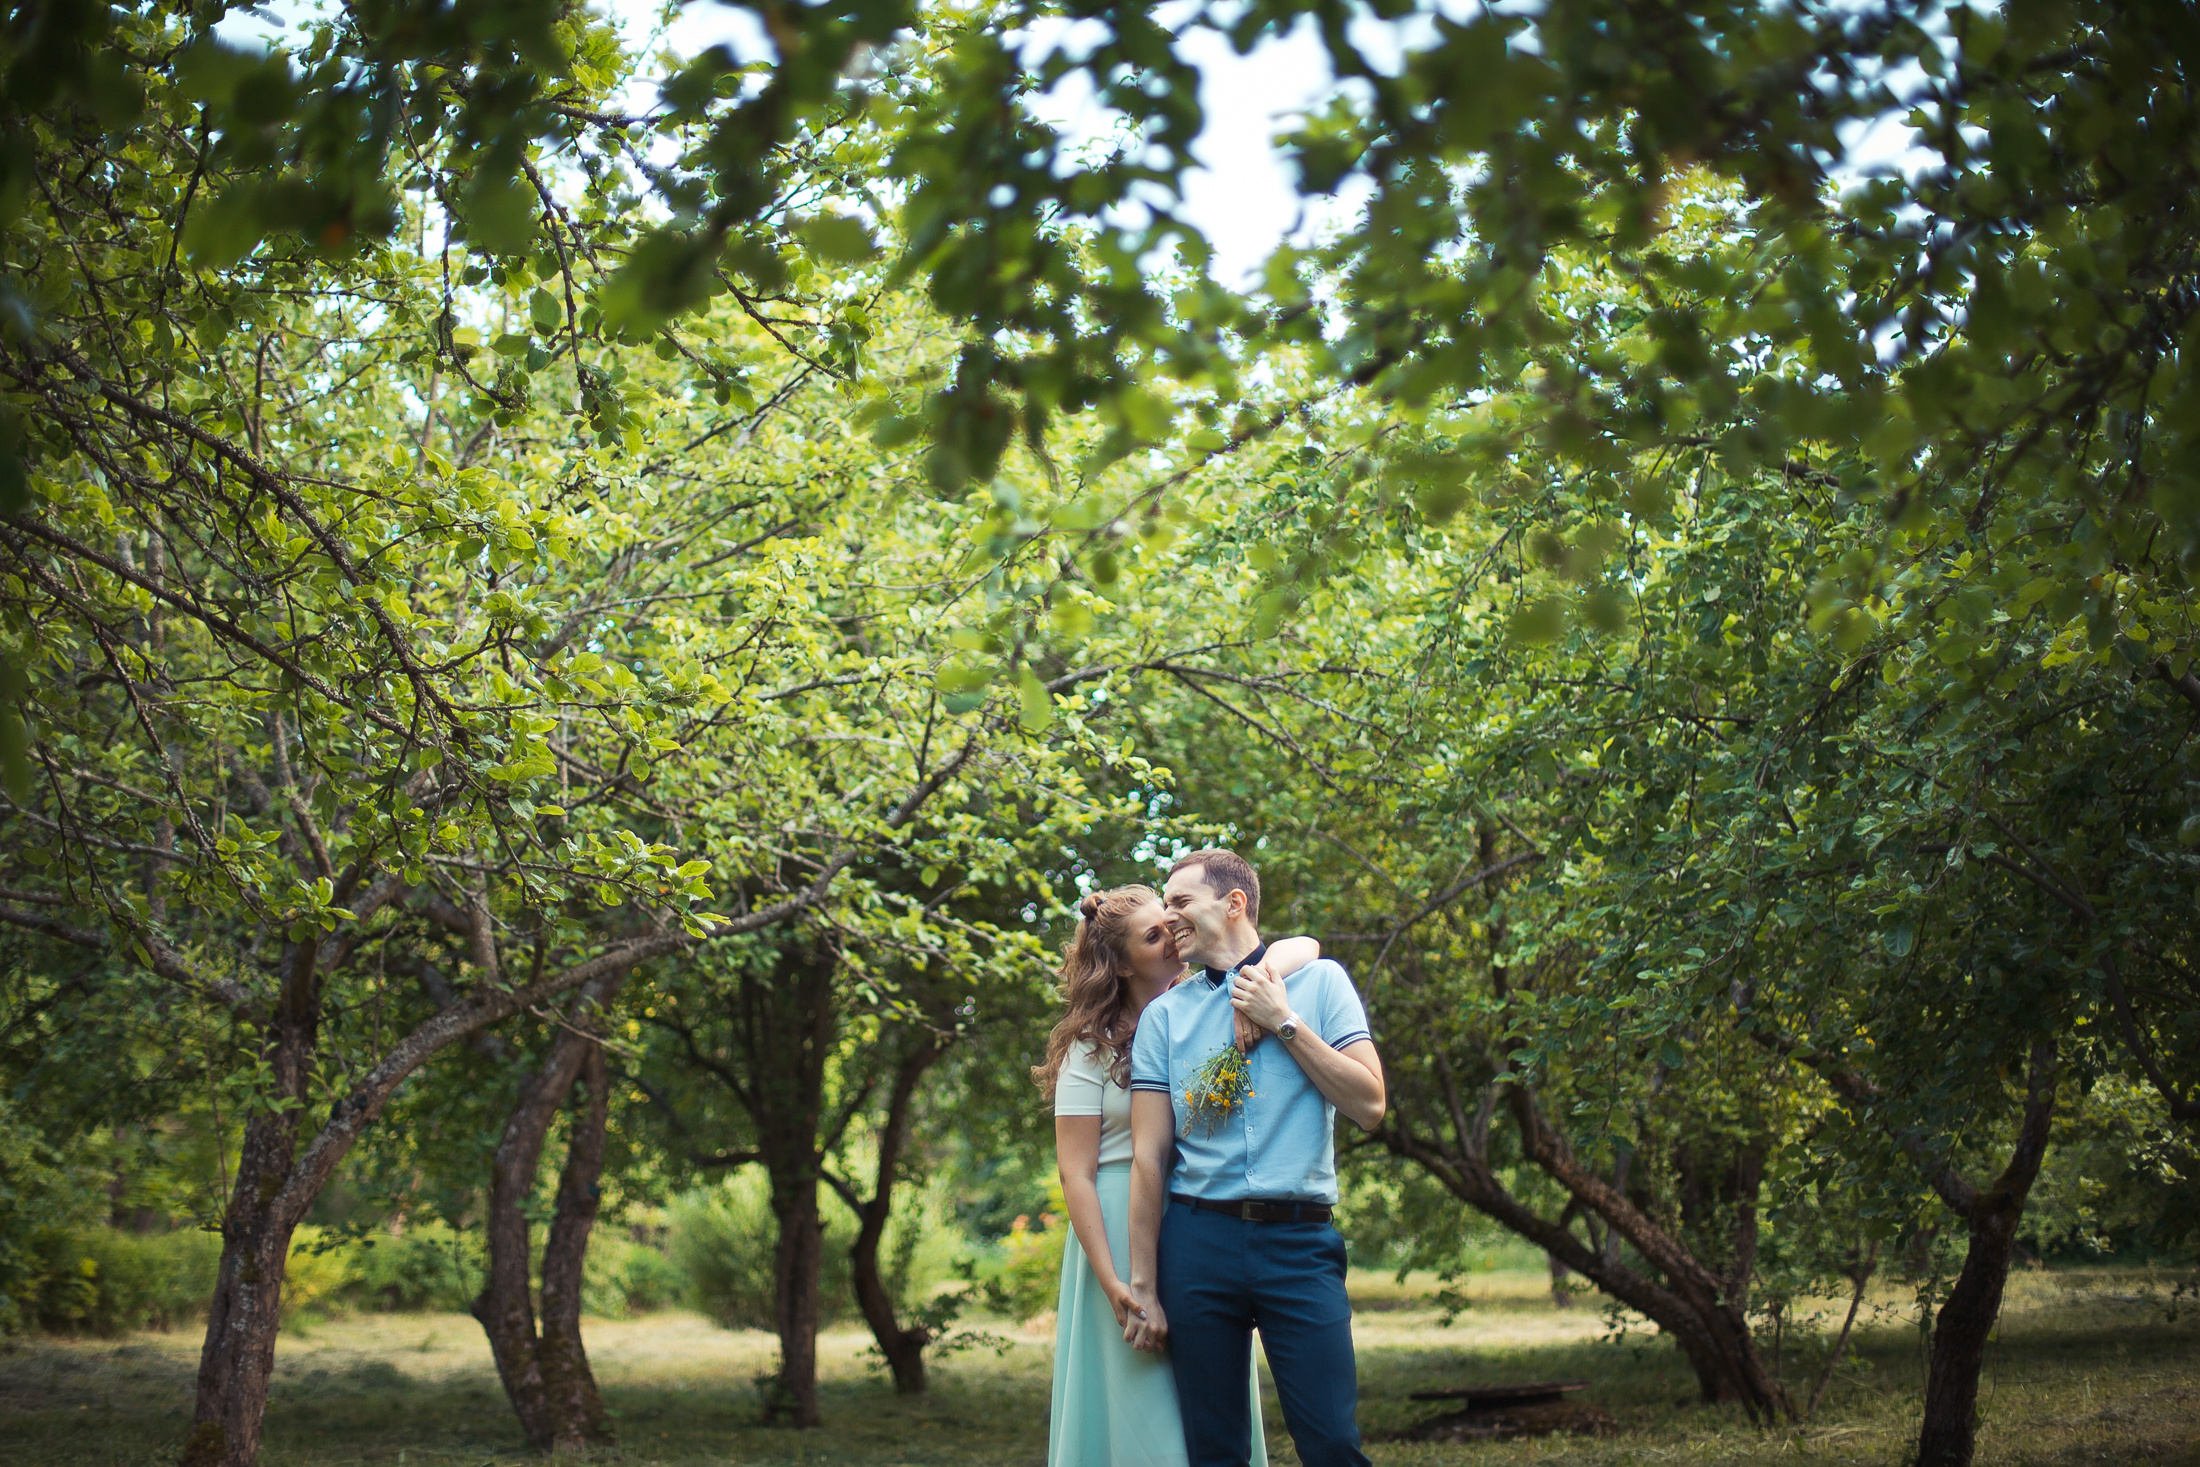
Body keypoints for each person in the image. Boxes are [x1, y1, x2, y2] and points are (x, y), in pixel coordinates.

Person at [1033, 884, 1325, 1467]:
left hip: (1199, 1218)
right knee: (1142, 1399)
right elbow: (1076, 1176)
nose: (1172, 937)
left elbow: (1308, 946)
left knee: (1212, 1404)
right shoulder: (1089, 1052)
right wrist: (1114, 1281)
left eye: (1170, 923)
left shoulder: (1208, 1007)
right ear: (1118, 963)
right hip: (1116, 1229)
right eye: (1152, 935)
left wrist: (1256, 987)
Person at [1123, 849, 1386, 1467]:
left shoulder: (1321, 985)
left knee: (1331, 1442)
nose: (1169, 917)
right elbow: (1149, 1158)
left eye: (1181, 902)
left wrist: (1283, 1021)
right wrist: (1145, 1286)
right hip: (1197, 1244)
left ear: (1233, 903)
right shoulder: (1164, 1018)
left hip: (1300, 1246)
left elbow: (1370, 1106)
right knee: (1214, 1449)